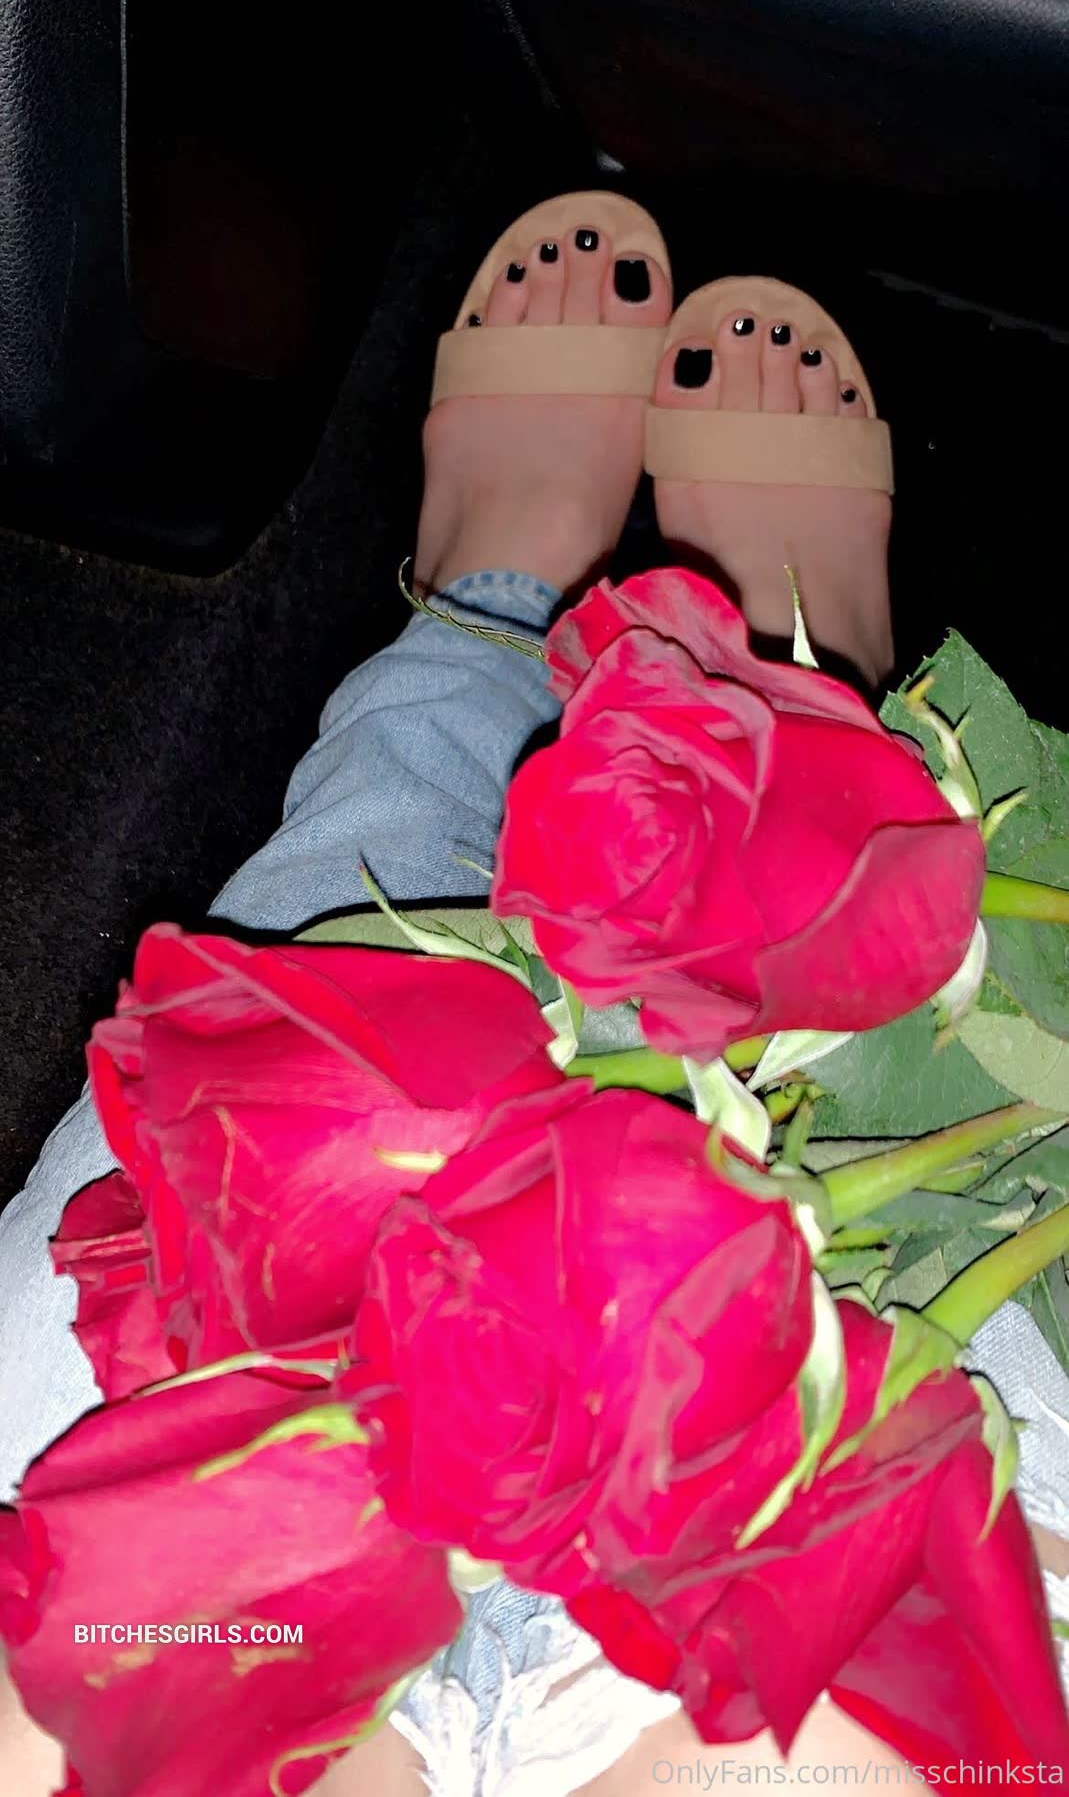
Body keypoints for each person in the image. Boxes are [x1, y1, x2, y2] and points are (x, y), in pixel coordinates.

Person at [1, 197, 1065, 1796]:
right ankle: (805, 734)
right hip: (821, 1618)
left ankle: (495, 615)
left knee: (324, 1004)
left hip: (228, 1602)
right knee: (905, 1146)